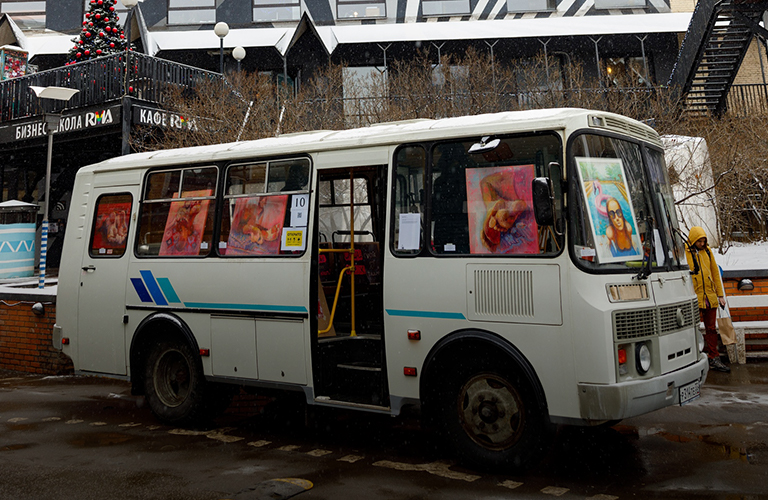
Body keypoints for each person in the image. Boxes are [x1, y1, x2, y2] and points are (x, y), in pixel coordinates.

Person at [685, 226, 730, 373]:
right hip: (693, 297)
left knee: (711, 329)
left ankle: (713, 357)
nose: (702, 244)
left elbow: (715, 273)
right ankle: (692, 358)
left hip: (709, 296)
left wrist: (720, 295)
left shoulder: (708, 252)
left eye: (704, 241)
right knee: (691, 329)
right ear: (693, 240)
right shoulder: (684, 253)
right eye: (699, 241)